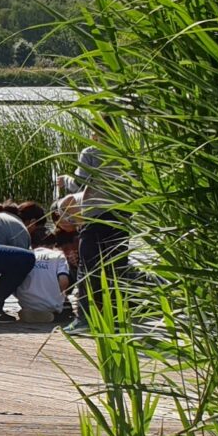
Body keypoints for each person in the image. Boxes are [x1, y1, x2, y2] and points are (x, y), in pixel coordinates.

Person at [72, 132, 131, 329]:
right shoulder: (126, 152)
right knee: (117, 267)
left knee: (87, 268)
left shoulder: (91, 151)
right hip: (122, 216)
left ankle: (84, 320)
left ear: (96, 132)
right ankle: (116, 318)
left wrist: (66, 180)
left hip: (95, 215)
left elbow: (81, 183)